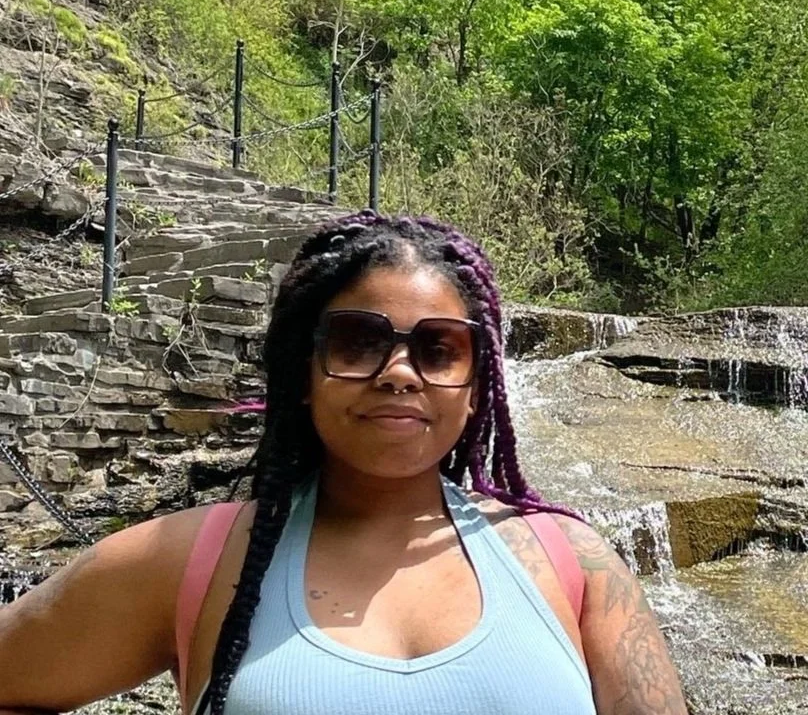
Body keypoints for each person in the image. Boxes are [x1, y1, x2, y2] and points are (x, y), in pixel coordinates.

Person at [0, 211, 687, 715]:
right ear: (303, 372)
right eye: (358, 341)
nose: (399, 372)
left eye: (439, 349)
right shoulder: (183, 561)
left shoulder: (575, 565)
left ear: (479, 388)